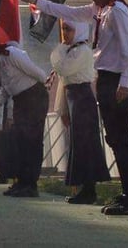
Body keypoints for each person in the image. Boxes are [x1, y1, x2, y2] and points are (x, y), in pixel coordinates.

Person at [21, 0, 128, 215]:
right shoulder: (100, 9)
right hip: (107, 78)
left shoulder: (117, 11)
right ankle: (127, 194)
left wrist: (125, 83)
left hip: (118, 78)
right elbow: (67, 11)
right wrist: (36, 1)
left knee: (121, 139)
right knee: (114, 139)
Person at [0, 27, 48, 197]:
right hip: (20, 100)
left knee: (31, 143)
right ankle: (21, 182)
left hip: (34, 96)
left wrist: (46, 83)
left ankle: (31, 185)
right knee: (19, 142)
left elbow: (35, 71)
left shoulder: (10, 53)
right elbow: (6, 88)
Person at [50, 19, 110, 205]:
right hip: (73, 98)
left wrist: (58, 51)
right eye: (63, 29)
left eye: (68, 29)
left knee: (86, 144)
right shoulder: (70, 51)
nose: (65, 33)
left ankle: (89, 189)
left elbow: (63, 69)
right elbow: (64, 83)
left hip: (82, 98)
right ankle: (84, 187)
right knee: (79, 144)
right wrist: (62, 110)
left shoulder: (82, 51)